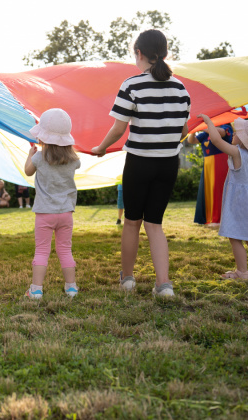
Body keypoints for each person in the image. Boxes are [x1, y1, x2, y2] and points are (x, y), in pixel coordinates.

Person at [91, 29, 191, 297]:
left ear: (139, 53)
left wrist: (100, 148)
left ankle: (128, 279)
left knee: (132, 221)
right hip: (169, 164)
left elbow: (118, 128)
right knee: (155, 224)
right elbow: (183, 131)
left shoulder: (132, 85)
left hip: (139, 162)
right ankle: (164, 285)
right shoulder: (181, 88)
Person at [198, 115, 248, 278]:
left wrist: (209, 122)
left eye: (238, 133)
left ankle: (242, 272)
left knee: (235, 237)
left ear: (245, 140)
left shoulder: (238, 154)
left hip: (239, 202)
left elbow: (216, 141)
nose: (234, 135)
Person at [23, 109, 82, 299]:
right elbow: (75, 161)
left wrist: (30, 154)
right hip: (66, 213)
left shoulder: (39, 158)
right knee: (65, 249)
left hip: (44, 214)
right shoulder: (74, 160)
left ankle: (36, 289)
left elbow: (28, 171)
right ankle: (71, 288)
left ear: (43, 137)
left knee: (42, 251)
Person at [187, 124, 234, 226]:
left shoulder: (226, 126)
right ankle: (209, 217)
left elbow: (220, 133)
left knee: (219, 189)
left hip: (221, 161)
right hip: (208, 163)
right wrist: (194, 130)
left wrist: (201, 126)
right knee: (208, 190)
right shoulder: (205, 133)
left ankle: (219, 218)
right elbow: (192, 141)